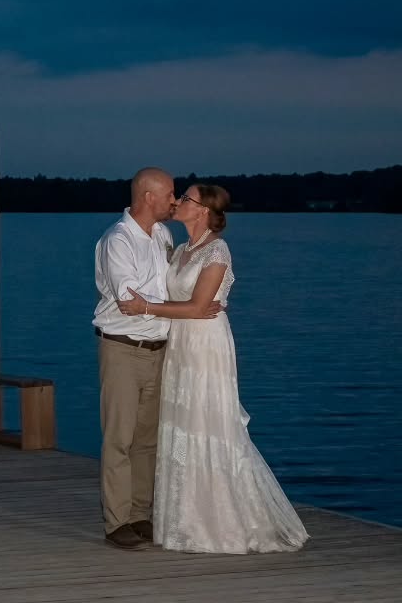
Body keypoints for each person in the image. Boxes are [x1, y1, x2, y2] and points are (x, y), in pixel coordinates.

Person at [117, 184, 309, 554]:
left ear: (202, 210)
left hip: (206, 346)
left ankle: (219, 516)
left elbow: (198, 306)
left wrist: (145, 308)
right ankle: (184, 517)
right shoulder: (182, 250)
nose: (178, 202)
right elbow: (182, 302)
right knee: (182, 424)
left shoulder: (217, 251)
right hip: (181, 345)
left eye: (185, 198)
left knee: (207, 422)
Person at [93, 168, 219, 551]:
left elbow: (153, 294)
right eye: (170, 194)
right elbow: (130, 299)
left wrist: (173, 305)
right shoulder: (118, 240)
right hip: (121, 348)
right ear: (149, 196)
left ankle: (140, 514)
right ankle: (116, 522)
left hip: (159, 350)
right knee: (120, 437)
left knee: (147, 438)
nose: (174, 200)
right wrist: (188, 307)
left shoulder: (164, 236)